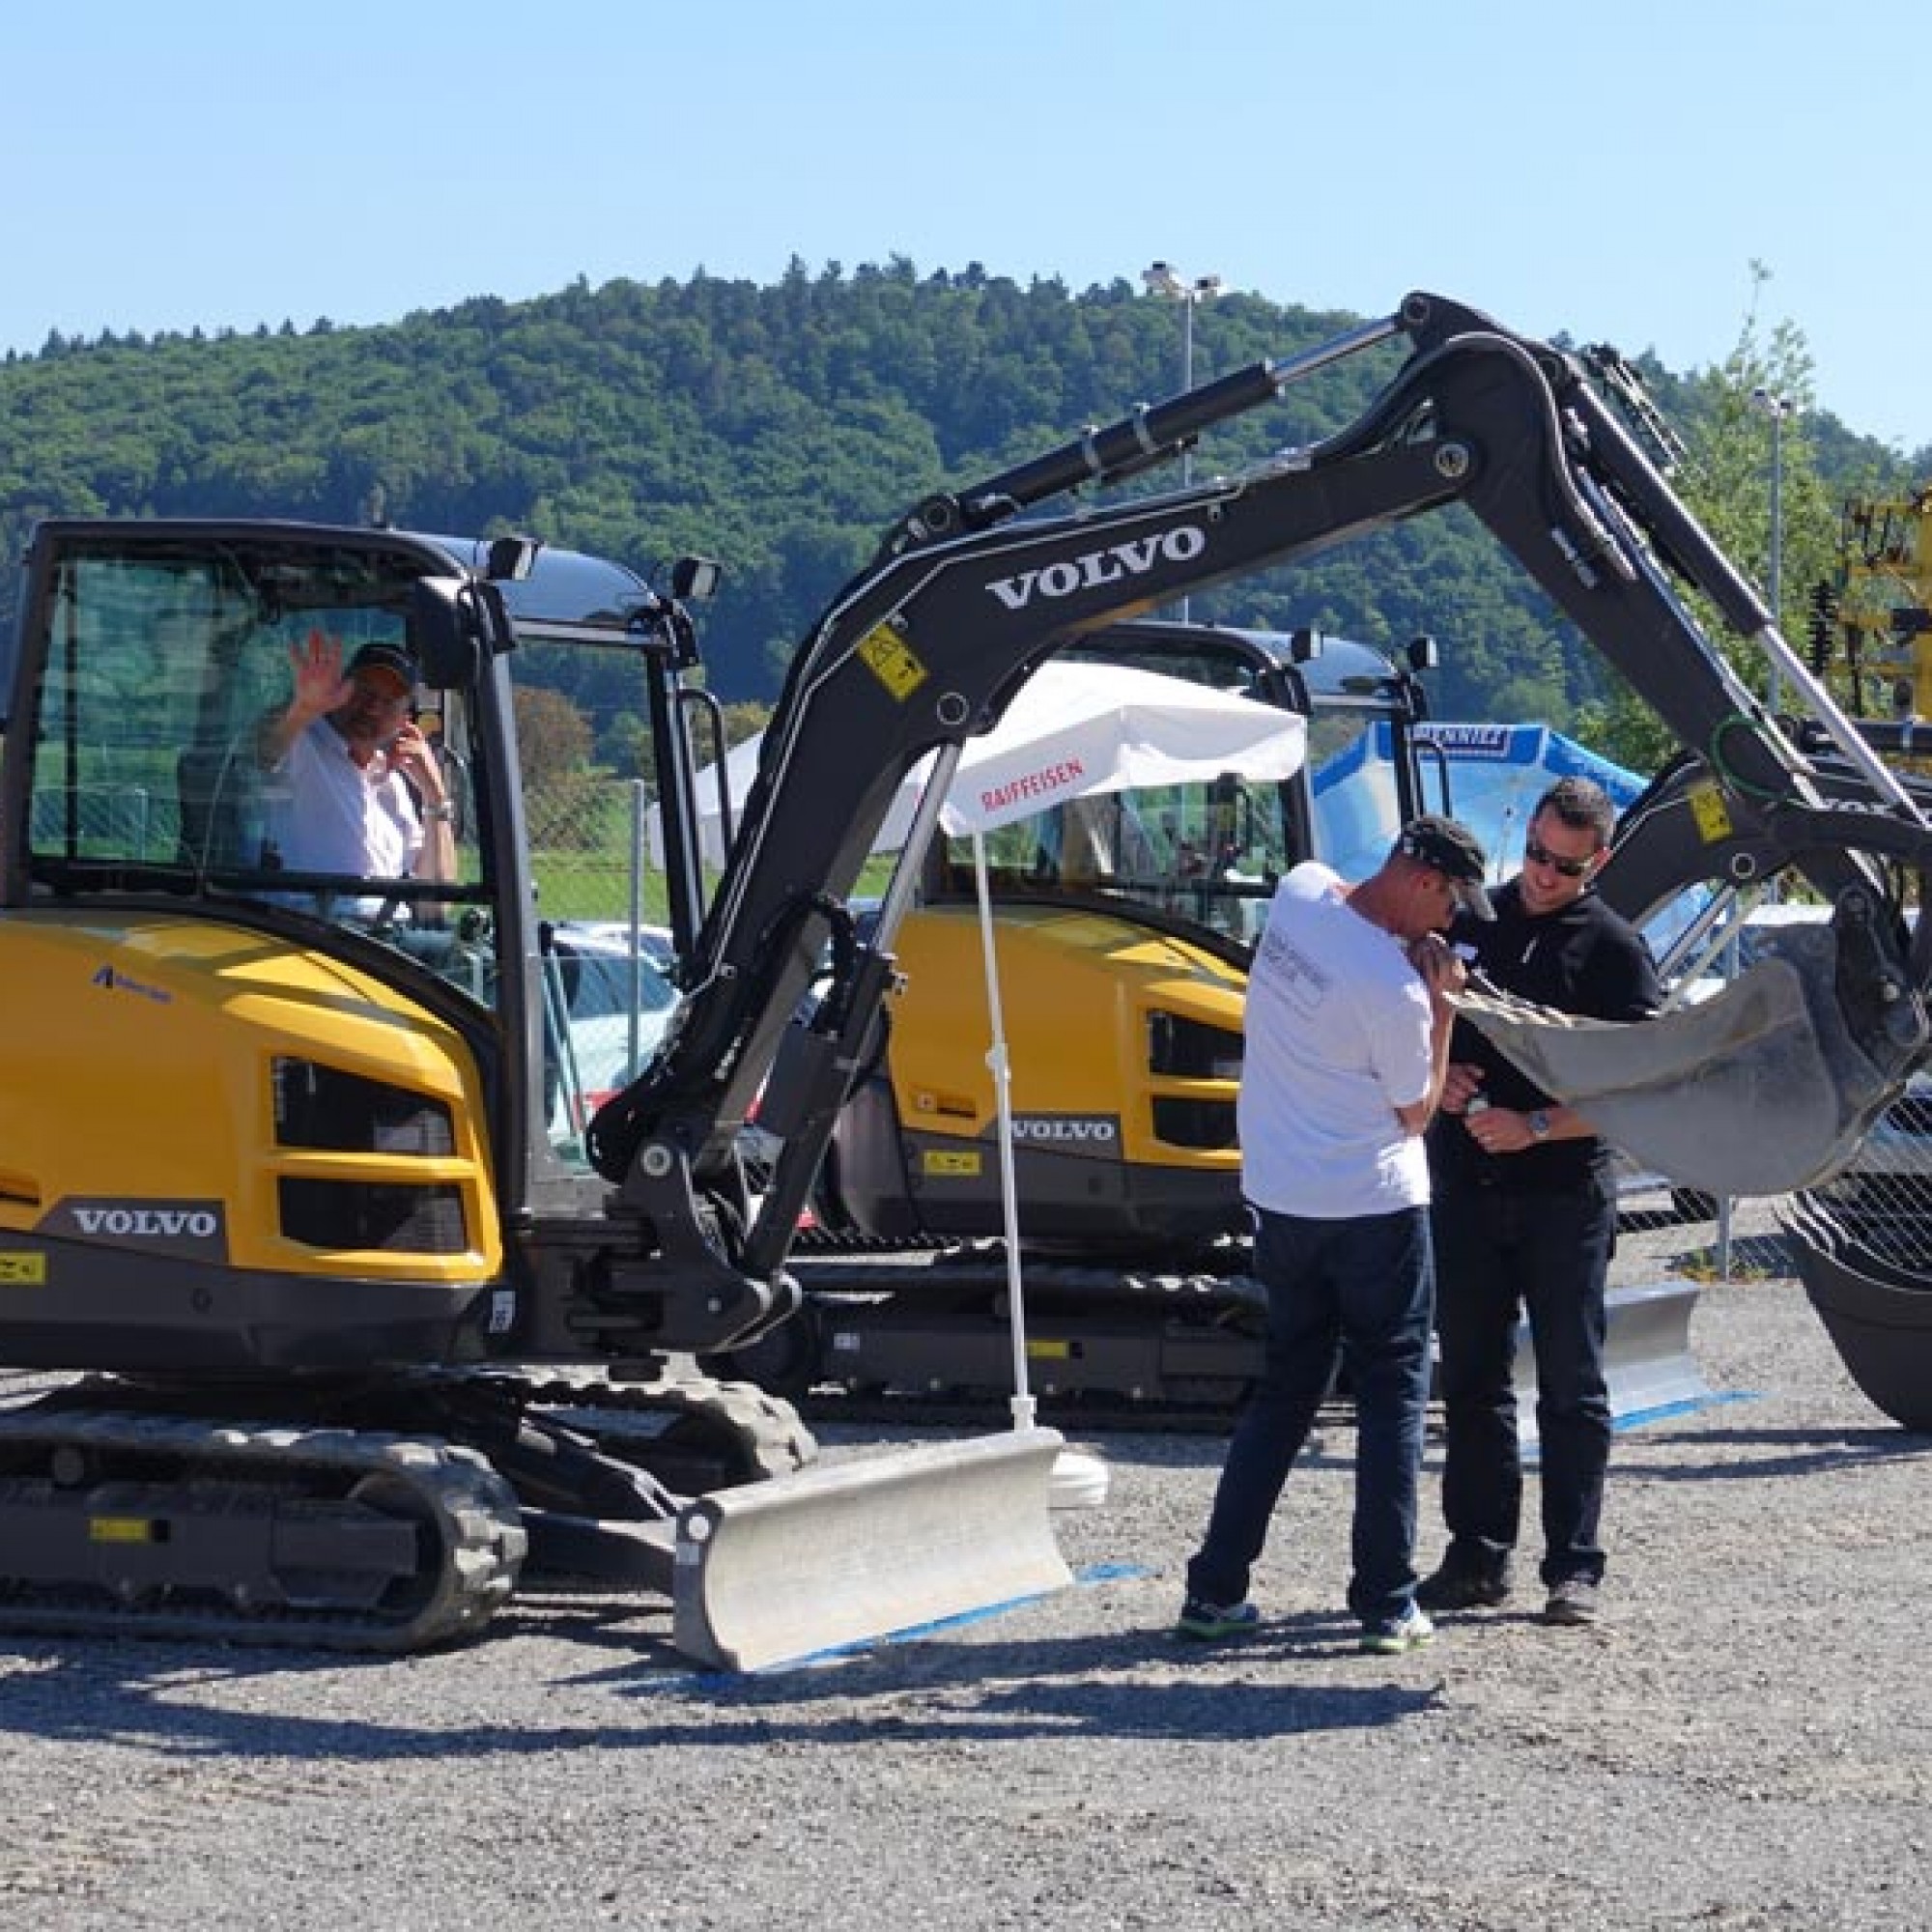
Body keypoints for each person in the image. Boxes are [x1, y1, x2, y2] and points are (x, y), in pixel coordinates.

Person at [1178, 812, 1492, 1655]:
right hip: (1373, 1204)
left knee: (1285, 1391)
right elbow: (1415, 1111)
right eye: (1452, 902)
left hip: (1282, 1196)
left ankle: (1214, 1587)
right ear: (1423, 880)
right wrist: (1443, 1007)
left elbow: (1337, 929)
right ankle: (1386, 1600)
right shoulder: (1392, 991)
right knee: (1392, 1397)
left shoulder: (1299, 891)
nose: (1451, 923)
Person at [1418, 777, 1662, 1629]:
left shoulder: (1614, 950)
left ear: (1597, 861)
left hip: (1562, 1194)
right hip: (1467, 1186)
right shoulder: (1470, 918)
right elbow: (1406, 1018)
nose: (1541, 876)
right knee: (1475, 1378)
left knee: (1569, 1383)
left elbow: (1641, 1087)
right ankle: (1478, 1556)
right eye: (1534, 854)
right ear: (1523, 832)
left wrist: (1537, 1124)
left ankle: (1574, 1567)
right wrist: (1439, 1078)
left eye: (1563, 866)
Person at [259, 628, 455, 888]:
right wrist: (303, 708)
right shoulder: (304, 744)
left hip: (381, 926)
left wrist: (435, 795)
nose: (372, 708)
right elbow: (263, 752)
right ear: (341, 692)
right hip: (299, 924)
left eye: (389, 701)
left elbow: (434, 902)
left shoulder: (393, 785)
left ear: (404, 722)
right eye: (365, 692)